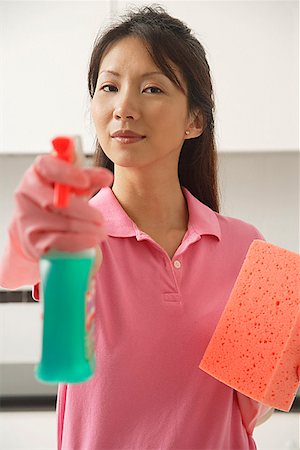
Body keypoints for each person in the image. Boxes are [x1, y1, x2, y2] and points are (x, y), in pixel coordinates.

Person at [0, 5, 273, 449]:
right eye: (109, 87)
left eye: (151, 88)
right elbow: (12, 270)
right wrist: (26, 227)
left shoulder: (247, 248)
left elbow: (251, 410)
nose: (123, 107)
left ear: (194, 121)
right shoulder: (76, 235)